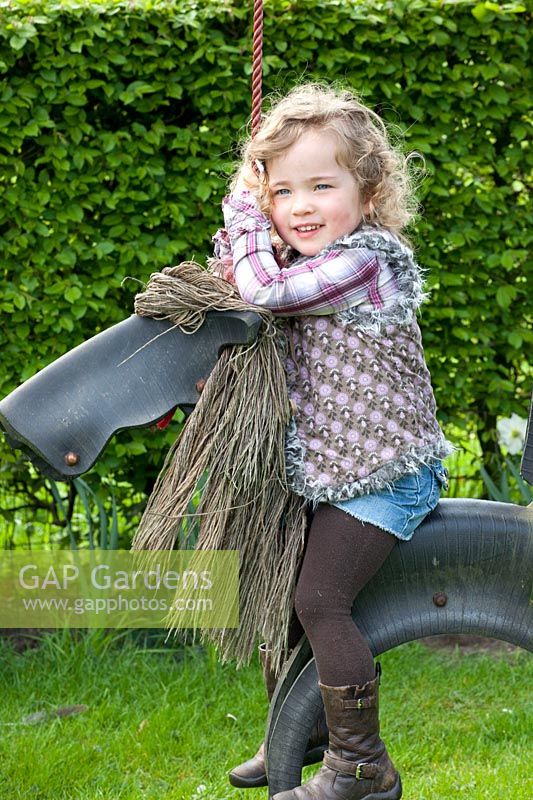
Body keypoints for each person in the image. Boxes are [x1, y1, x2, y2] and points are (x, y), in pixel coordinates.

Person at [212, 83, 452, 800]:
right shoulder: (305, 261)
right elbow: (241, 280)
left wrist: (245, 216)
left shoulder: (364, 261)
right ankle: (306, 729)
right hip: (346, 474)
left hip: (385, 474)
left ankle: (360, 765)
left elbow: (264, 292)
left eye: (322, 185)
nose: (301, 206)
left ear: (369, 193)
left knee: (320, 600)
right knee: (294, 595)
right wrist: (251, 225)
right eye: (282, 192)